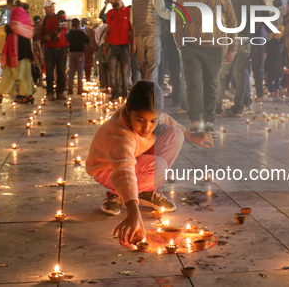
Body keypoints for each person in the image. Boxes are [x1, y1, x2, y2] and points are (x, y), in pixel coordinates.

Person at [86, 81, 213, 242]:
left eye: (153, 121)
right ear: (128, 111)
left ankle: (146, 191)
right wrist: (133, 212)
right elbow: (124, 171)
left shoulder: (155, 118)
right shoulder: (121, 136)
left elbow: (167, 119)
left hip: (132, 161)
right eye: (140, 120)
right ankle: (119, 194)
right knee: (159, 166)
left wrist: (190, 135)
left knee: (175, 134)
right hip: (108, 170)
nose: (147, 127)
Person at [175, 0, 237, 136]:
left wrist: (231, 48)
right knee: (194, 85)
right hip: (191, 48)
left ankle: (209, 122)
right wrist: (180, 43)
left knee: (211, 86)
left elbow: (232, 22)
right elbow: (177, 22)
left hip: (214, 48)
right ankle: (195, 122)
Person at [216, 0, 259, 117]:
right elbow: (256, 21)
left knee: (222, 73)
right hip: (244, 38)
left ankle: (216, 107)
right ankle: (238, 108)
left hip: (226, 38)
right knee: (241, 74)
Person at [0, 0, 36, 104]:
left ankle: (1, 94)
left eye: (8, 6)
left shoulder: (15, 12)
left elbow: (14, 26)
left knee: (12, 74)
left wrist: (10, 28)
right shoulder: (23, 15)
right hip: (23, 50)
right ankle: (27, 95)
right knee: (23, 75)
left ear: (10, 4)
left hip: (17, 50)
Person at [131, 0, 171, 82]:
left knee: (142, 65)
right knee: (153, 65)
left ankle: (143, 89)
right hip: (153, 33)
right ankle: (151, 92)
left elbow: (132, 19)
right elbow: (162, 12)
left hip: (139, 34)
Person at [103, 0, 136, 101]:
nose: (110, 1)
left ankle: (125, 93)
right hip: (112, 46)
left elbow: (133, 29)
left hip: (125, 47)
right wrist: (104, 45)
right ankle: (114, 94)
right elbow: (107, 30)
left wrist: (134, 45)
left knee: (124, 73)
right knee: (112, 73)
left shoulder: (128, 12)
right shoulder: (110, 13)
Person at [39, 0, 69, 100]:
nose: (52, 8)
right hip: (49, 49)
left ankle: (60, 92)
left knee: (61, 71)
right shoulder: (43, 21)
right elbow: (40, 34)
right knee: (49, 72)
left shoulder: (60, 17)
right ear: (45, 9)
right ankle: (50, 92)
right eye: (49, 7)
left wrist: (60, 32)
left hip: (62, 47)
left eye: (53, 6)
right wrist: (45, 37)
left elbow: (64, 27)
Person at [250, 0, 270, 101]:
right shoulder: (261, 4)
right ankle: (260, 95)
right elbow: (267, 23)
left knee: (243, 69)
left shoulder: (248, 2)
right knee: (258, 68)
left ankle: (243, 95)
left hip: (245, 38)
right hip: (257, 40)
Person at [264, 0, 286, 97]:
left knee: (271, 75)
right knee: (278, 75)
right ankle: (278, 90)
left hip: (271, 57)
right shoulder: (288, 14)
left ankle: (271, 91)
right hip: (281, 53)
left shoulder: (273, 15)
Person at [66, 18, 90, 95]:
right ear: (79, 25)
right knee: (80, 71)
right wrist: (85, 34)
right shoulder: (81, 33)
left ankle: (70, 88)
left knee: (71, 71)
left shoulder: (69, 33)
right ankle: (80, 89)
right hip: (80, 53)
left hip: (72, 52)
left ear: (72, 25)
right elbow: (87, 41)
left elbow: (67, 40)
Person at [82, 18, 97, 83]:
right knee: (88, 66)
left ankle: (80, 79)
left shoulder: (80, 29)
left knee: (79, 65)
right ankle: (87, 78)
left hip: (81, 49)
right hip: (88, 49)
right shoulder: (90, 31)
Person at [31, 15, 45, 87]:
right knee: (38, 63)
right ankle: (39, 79)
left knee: (40, 63)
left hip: (38, 45)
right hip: (35, 46)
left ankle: (40, 80)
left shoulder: (38, 27)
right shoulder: (34, 27)